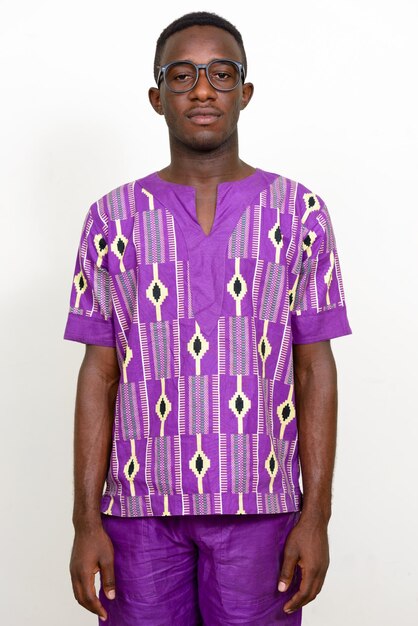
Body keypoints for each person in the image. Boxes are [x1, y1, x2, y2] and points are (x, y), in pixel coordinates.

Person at [64, 11, 352, 626]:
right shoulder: (109, 220)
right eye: (182, 74)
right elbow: (99, 374)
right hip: (138, 516)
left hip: (264, 510)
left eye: (221, 74)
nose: (202, 89)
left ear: (244, 93)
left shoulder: (300, 213)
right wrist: (86, 520)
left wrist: (316, 515)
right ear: (156, 95)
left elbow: (313, 369)